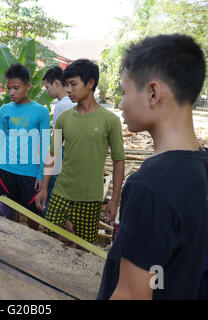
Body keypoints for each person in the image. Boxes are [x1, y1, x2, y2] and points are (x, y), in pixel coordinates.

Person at [97, 34, 208, 300]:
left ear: (153, 92)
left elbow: (132, 295)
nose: (121, 104)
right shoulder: (200, 167)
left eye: (124, 92)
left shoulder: (151, 187)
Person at [35, 59, 125, 248]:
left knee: (86, 247)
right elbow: (52, 153)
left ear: (90, 83)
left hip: (90, 197)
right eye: (67, 85)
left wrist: (115, 199)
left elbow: (118, 160)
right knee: (49, 234)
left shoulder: (110, 120)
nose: (69, 90)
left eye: (74, 84)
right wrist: (44, 188)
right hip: (61, 191)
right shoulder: (64, 118)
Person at [0, 63, 50, 230]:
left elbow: (45, 146)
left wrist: (40, 174)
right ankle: (12, 240)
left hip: (30, 173)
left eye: (16, 88)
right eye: (8, 88)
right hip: (6, 169)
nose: (11, 92)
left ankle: (31, 242)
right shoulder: (5, 109)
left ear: (28, 86)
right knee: (9, 212)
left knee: (32, 214)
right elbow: (0, 138)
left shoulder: (41, 112)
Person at [41, 66, 75, 218]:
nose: (46, 91)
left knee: (52, 201)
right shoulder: (73, 103)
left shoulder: (62, 106)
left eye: (47, 87)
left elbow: (57, 141)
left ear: (56, 83)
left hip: (62, 158)